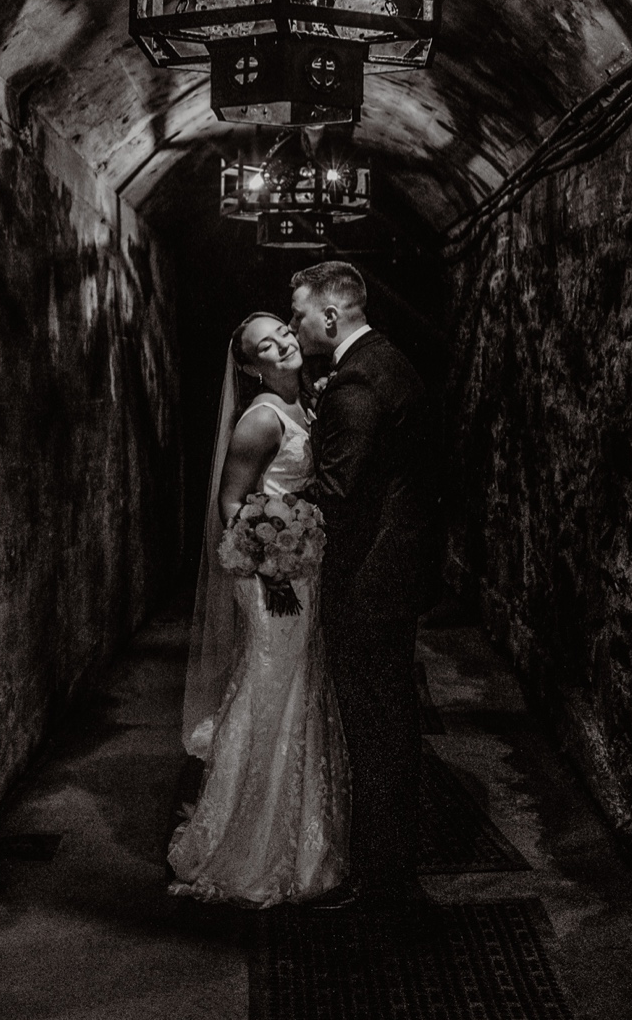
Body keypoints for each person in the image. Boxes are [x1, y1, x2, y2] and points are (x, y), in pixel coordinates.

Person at [167, 314, 349, 906]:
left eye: (284, 332)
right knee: (272, 690)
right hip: (273, 579)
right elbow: (230, 501)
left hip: (301, 568)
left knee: (298, 689)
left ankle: (299, 839)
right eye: (265, 345)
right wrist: (268, 567)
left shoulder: (306, 403)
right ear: (251, 367)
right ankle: (248, 843)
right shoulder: (262, 419)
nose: (284, 343)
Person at [288, 261, 439, 908]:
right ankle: (389, 859)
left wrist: (271, 513)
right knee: (389, 721)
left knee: (374, 728)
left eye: (299, 314)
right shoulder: (387, 360)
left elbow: (338, 490)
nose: (294, 325)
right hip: (395, 574)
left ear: (330, 315)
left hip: (369, 584)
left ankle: (382, 873)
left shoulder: (357, 379)